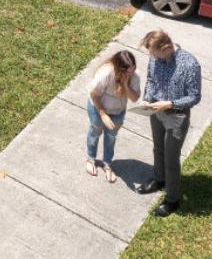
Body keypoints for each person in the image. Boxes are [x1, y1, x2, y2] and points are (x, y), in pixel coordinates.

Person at [134, 29, 202, 216]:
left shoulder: (189, 64)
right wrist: (147, 98)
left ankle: (172, 200)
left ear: (166, 48)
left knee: (171, 159)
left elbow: (194, 97)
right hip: (156, 110)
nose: (152, 57)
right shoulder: (155, 58)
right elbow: (151, 80)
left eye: (154, 53)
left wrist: (170, 103)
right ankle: (159, 179)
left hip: (176, 116)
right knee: (158, 148)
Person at [85, 49, 141, 183]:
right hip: (98, 108)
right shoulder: (106, 73)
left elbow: (134, 98)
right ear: (117, 67)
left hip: (117, 111)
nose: (131, 73)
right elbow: (94, 94)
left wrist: (126, 84)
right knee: (95, 132)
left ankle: (107, 163)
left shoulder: (134, 76)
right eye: (127, 71)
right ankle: (90, 158)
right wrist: (103, 114)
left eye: (132, 69)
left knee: (111, 137)